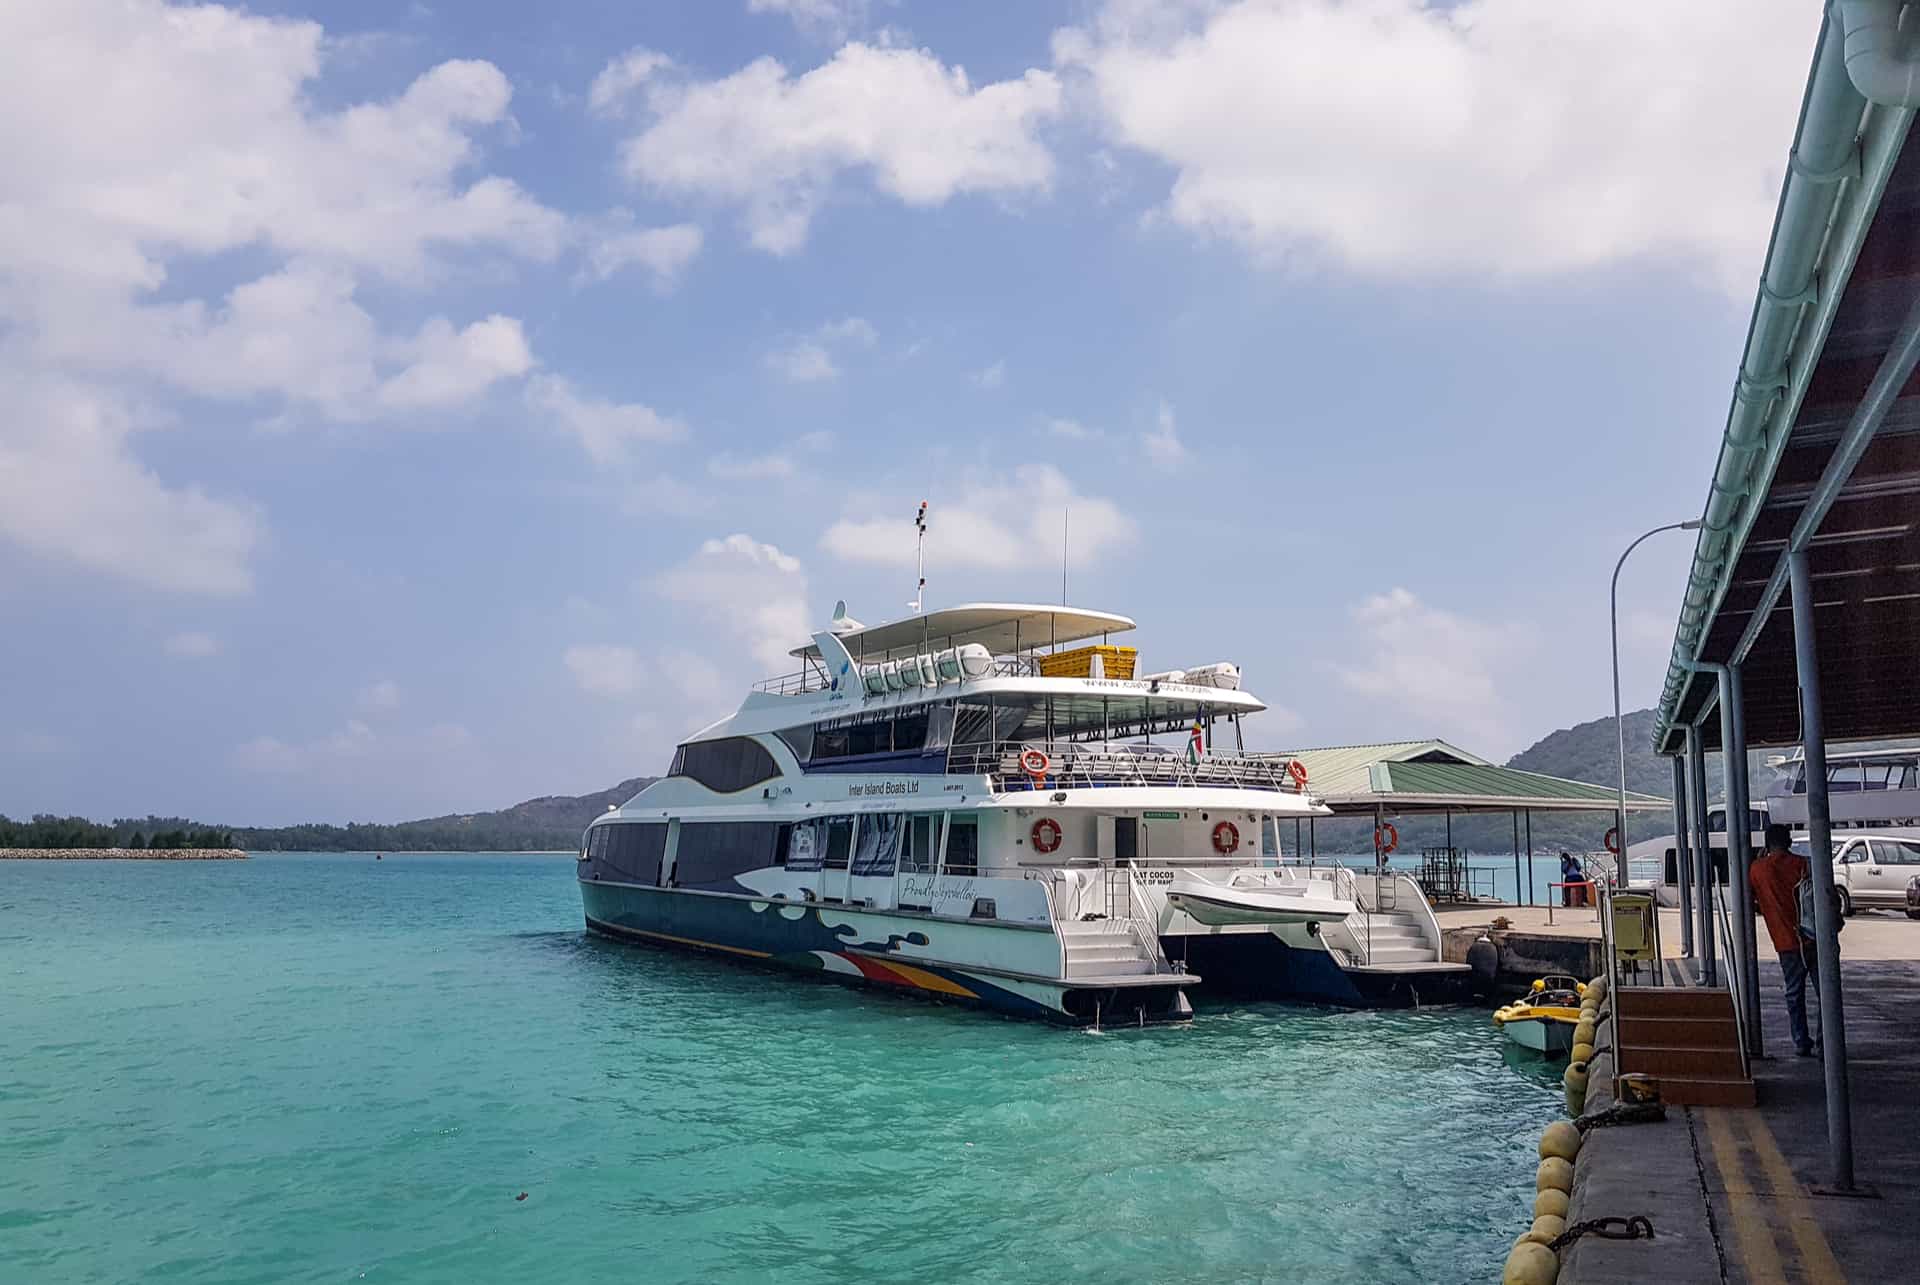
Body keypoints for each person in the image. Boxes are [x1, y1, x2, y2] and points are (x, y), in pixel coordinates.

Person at [1750, 823, 1822, 1057]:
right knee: (1825, 993)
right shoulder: (1802, 865)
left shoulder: (1757, 870)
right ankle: (1825, 1041)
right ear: (1789, 841)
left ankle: (1801, 1040)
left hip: (1785, 941)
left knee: (1794, 992)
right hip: (1813, 936)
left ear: (1767, 843)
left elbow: (1752, 900)